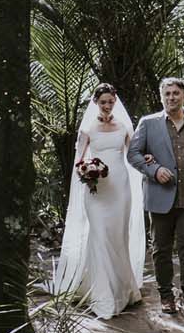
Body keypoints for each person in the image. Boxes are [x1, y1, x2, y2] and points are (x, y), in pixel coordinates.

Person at [126, 77, 184, 317]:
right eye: (167, 94)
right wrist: (154, 170)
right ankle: (166, 296)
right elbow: (133, 154)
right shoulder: (148, 124)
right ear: (161, 97)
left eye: (176, 93)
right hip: (160, 198)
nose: (171, 98)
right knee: (161, 249)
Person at [53, 83, 146, 318]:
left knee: (117, 237)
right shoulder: (87, 129)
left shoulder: (124, 126)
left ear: (115, 102)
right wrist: (86, 171)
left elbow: (133, 154)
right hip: (96, 191)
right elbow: (78, 162)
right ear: (96, 103)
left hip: (120, 189)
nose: (107, 106)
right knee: (99, 234)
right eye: (103, 102)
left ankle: (123, 289)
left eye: (110, 102)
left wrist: (147, 159)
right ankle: (102, 294)